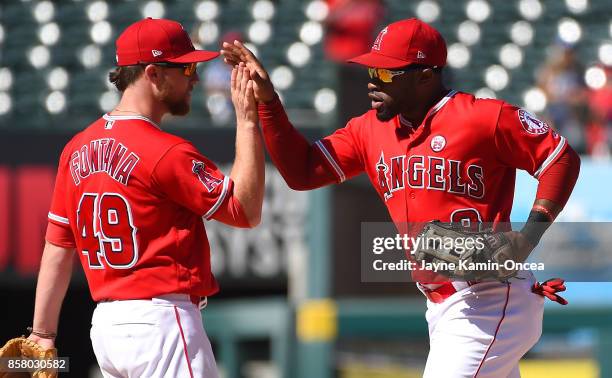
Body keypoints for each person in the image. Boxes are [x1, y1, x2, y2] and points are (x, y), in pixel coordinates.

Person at [222, 18, 581, 377]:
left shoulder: (483, 118)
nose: (373, 80)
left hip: (488, 295)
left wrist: (527, 238)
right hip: (443, 305)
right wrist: (268, 103)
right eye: (372, 68)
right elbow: (302, 171)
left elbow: (560, 158)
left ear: (425, 76)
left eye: (387, 72)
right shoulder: (368, 130)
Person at [26, 18, 263, 378]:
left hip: (106, 329)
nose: (195, 78)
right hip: (161, 323)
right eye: (186, 68)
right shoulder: (166, 152)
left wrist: (43, 334)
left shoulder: (75, 149)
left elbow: (58, 247)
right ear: (153, 73)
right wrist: (247, 121)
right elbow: (244, 211)